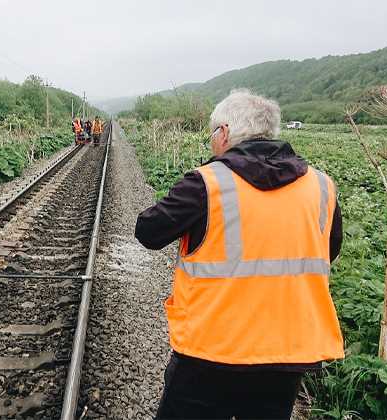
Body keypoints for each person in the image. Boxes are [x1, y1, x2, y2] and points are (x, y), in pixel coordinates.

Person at [135, 89, 344, 419]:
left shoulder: (206, 183)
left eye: (212, 133)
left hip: (211, 351)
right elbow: (327, 252)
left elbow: (148, 231)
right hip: (286, 354)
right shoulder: (321, 186)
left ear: (225, 133)